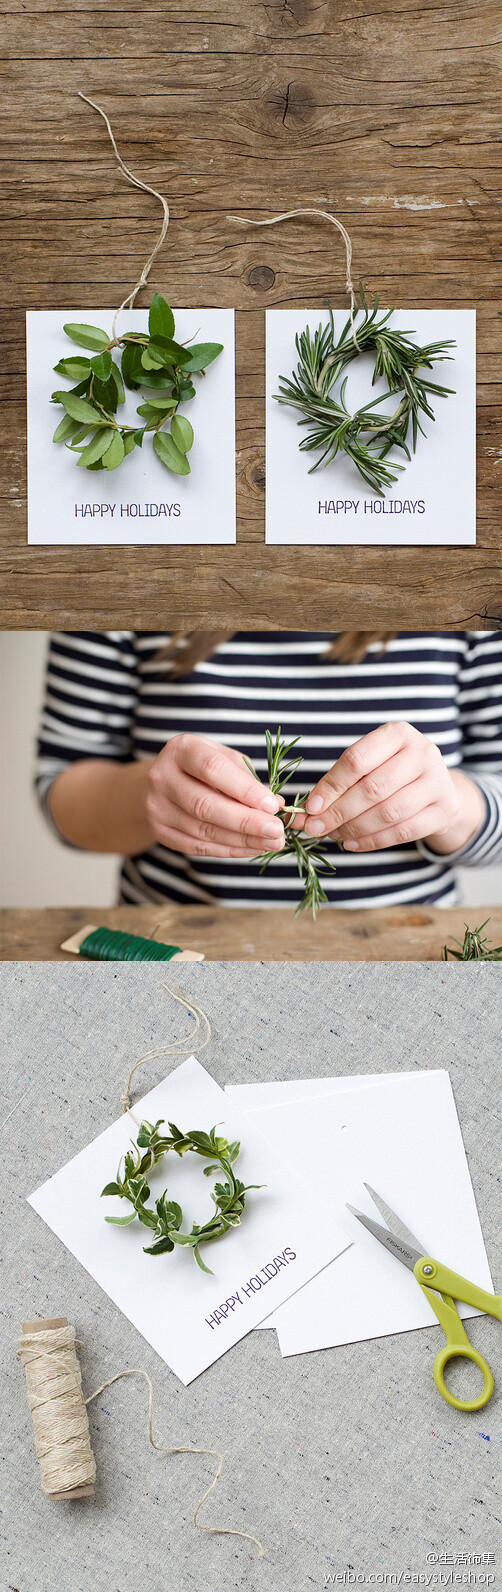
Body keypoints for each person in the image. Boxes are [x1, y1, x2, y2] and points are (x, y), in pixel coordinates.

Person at [35, 629, 502, 910]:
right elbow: (60, 792)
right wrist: (146, 794)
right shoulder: (129, 561)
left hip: (410, 954)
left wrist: (452, 804)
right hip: (175, 950)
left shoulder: (464, 574)